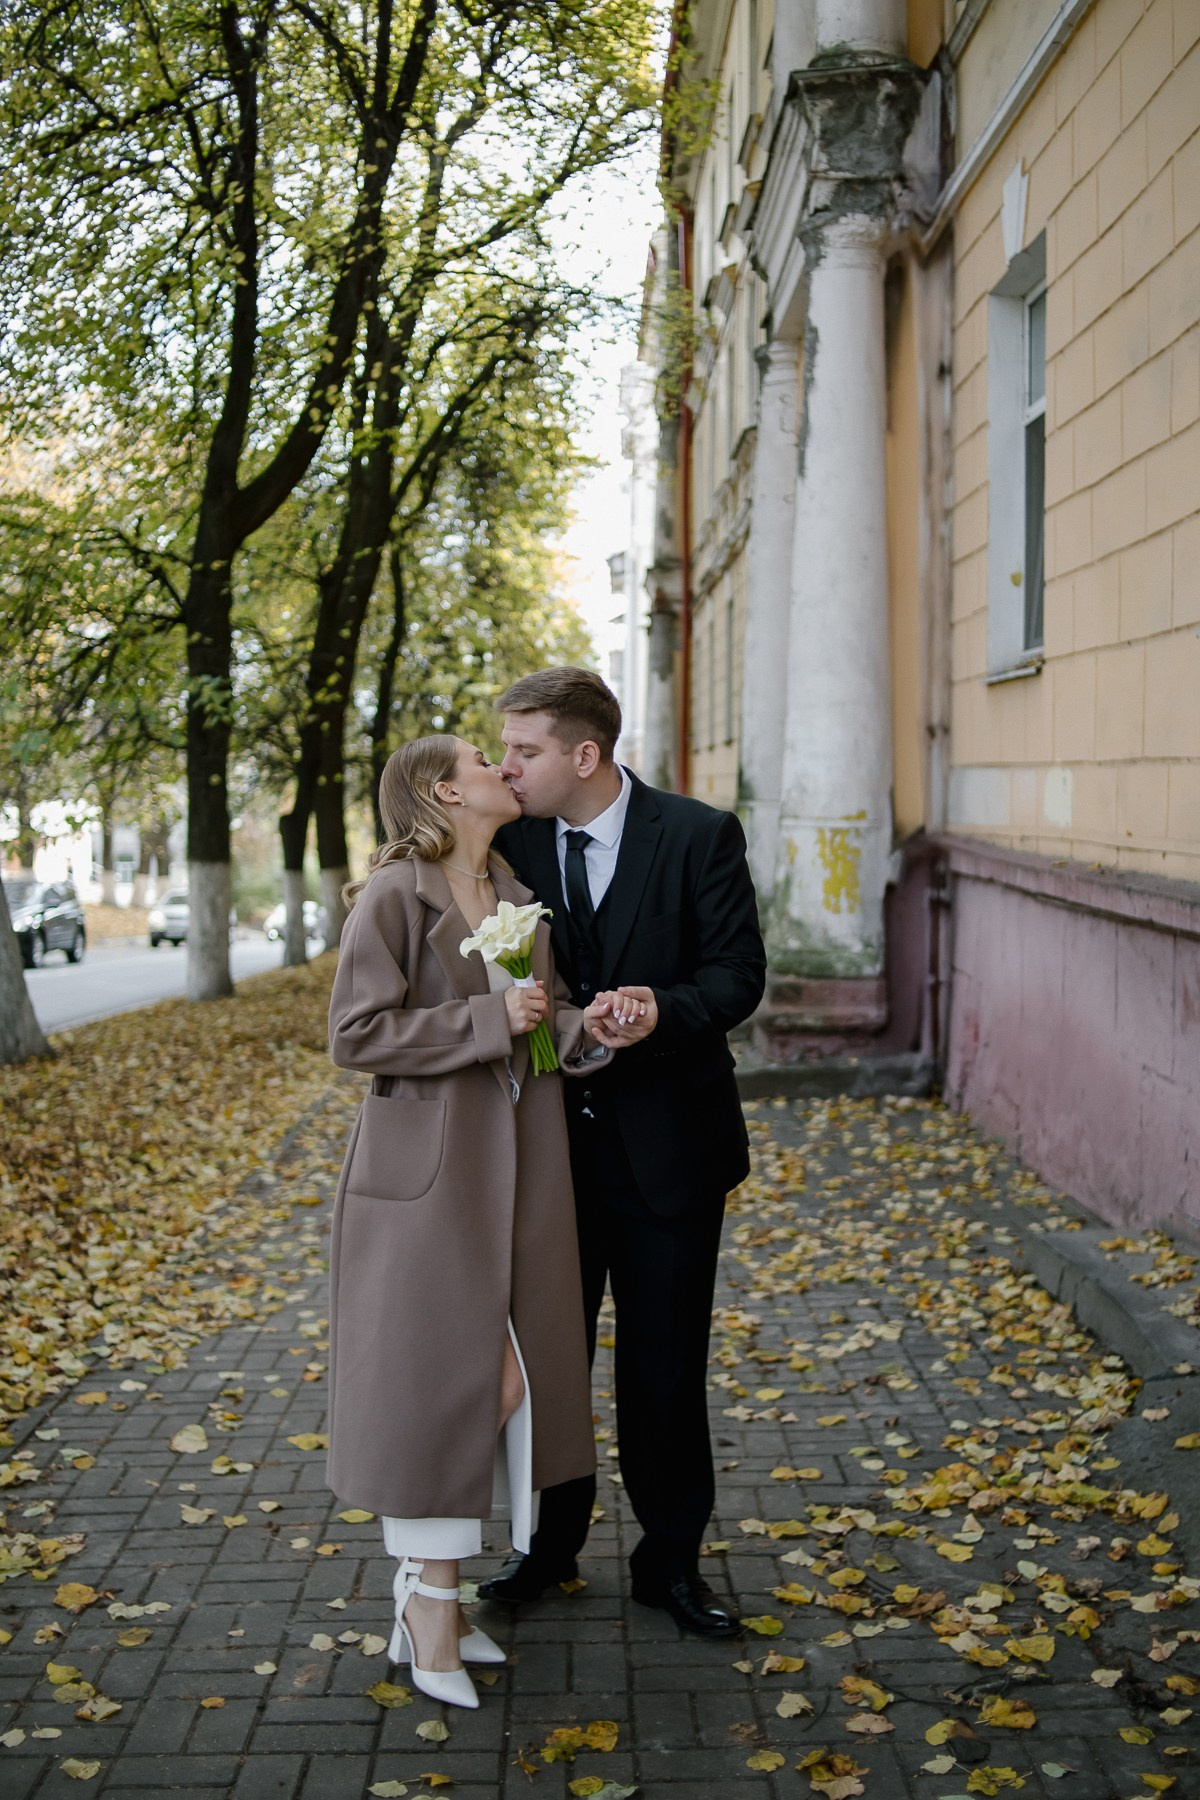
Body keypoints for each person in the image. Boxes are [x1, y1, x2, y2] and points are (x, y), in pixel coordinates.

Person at [326, 735, 630, 1707]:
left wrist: (589, 1027)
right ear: (442, 789)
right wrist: (483, 1027)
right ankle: (427, 1610)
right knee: (456, 1387)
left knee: (503, 1384)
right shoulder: (393, 896)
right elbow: (356, 1033)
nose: (504, 766)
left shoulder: (509, 891)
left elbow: (534, 1016)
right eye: (479, 757)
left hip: (522, 1173)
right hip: (427, 1181)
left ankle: (433, 1606)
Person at [478, 668, 766, 1637]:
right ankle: (547, 1549)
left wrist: (662, 1010)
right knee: (552, 1365)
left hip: (671, 1155)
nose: (506, 767)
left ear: (583, 755)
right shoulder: (507, 844)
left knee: (664, 1369)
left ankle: (670, 1565)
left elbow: (737, 977)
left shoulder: (696, 835)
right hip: (546, 1159)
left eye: (524, 751)